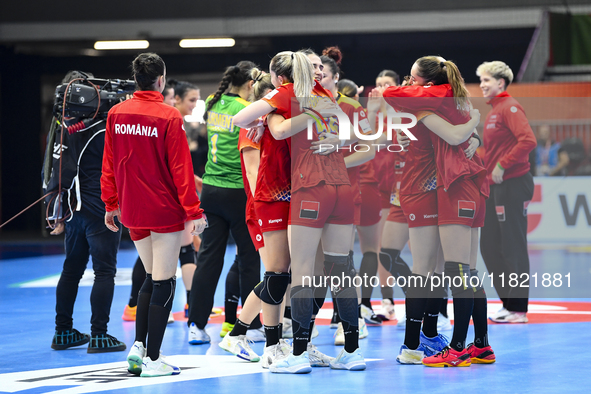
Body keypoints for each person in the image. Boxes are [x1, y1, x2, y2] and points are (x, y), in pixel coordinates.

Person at [101, 52, 206, 377]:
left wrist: (110, 203)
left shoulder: (117, 113)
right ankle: (153, 359)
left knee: (150, 278)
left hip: (133, 212)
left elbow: (109, 162)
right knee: (163, 282)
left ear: (137, 79)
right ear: (161, 80)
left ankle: (140, 348)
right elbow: (181, 170)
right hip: (164, 212)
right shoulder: (169, 116)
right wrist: (193, 211)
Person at [380, 56, 485, 367]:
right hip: (421, 190)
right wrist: (473, 125)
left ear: (425, 83)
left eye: (412, 78)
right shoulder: (422, 103)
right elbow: (454, 133)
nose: (407, 83)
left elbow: (455, 136)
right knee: (425, 270)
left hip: (441, 189)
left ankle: (428, 338)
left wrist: (474, 135)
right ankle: (412, 345)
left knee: (439, 271)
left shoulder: (436, 103)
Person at [43, 70, 126, 354]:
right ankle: (99, 335)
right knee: (104, 272)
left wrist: (55, 210)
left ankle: (62, 331)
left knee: (72, 270)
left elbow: (54, 172)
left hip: (73, 211)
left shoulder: (63, 127)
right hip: (102, 209)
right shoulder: (103, 130)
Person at [187, 61, 263, 345]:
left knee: (208, 257)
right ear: (249, 85)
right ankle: (252, 324)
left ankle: (197, 324)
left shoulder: (213, 101)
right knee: (248, 257)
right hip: (238, 192)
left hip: (210, 191)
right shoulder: (245, 111)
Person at [477, 61, 536, 324]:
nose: (482, 85)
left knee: (513, 246)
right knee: (489, 246)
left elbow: (528, 140)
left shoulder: (509, 107)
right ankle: (508, 303)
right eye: (480, 81)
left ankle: (518, 309)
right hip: (494, 186)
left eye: (486, 80)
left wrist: (502, 164)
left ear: (501, 83)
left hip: (512, 183)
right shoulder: (494, 110)